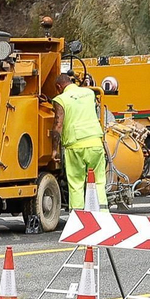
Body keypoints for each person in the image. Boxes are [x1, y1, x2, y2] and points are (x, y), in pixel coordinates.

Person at [52, 73, 109, 210]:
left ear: (59, 87)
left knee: (76, 183)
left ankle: (77, 214)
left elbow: (58, 125)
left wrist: (54, 149)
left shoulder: (60, 99)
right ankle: (103, 212)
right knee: (99, 181)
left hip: (75, 146)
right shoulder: (89, 93)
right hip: (95, 143)